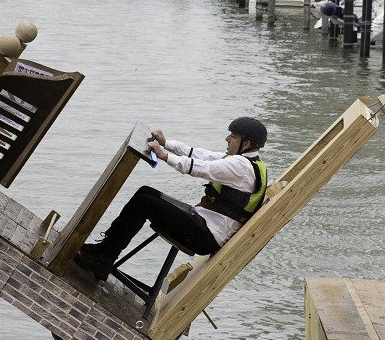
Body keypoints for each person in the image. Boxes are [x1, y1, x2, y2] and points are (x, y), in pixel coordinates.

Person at [75, 117, 268, 281]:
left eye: (233, 136)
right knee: (146, 192)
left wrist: (163, 155)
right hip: (202, 223)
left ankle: (104, 260)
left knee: (145, 203)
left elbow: (200, 168)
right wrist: (166, 143)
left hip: (205, 236)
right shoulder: (247, 163)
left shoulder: (241, 167)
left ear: (247, 143)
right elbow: (200, 155)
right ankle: (104, 250)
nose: (227, 139)